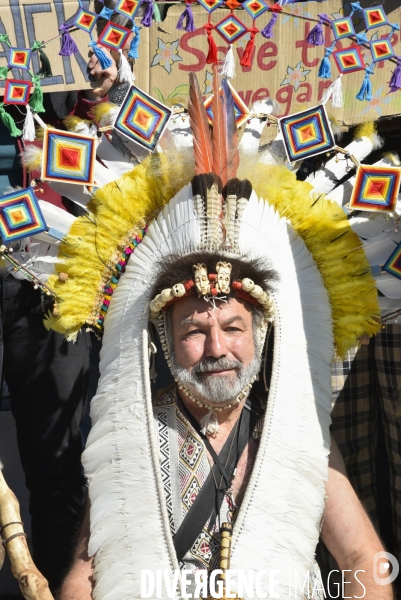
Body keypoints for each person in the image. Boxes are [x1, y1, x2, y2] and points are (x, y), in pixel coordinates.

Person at [38, 70, 389, 599]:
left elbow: (364, 559)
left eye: (233, 327)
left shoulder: (296, 429)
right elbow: (85, 575)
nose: (218, 349)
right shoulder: (134, 431)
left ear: (261, 333)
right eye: (195, 331)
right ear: (163, 335)